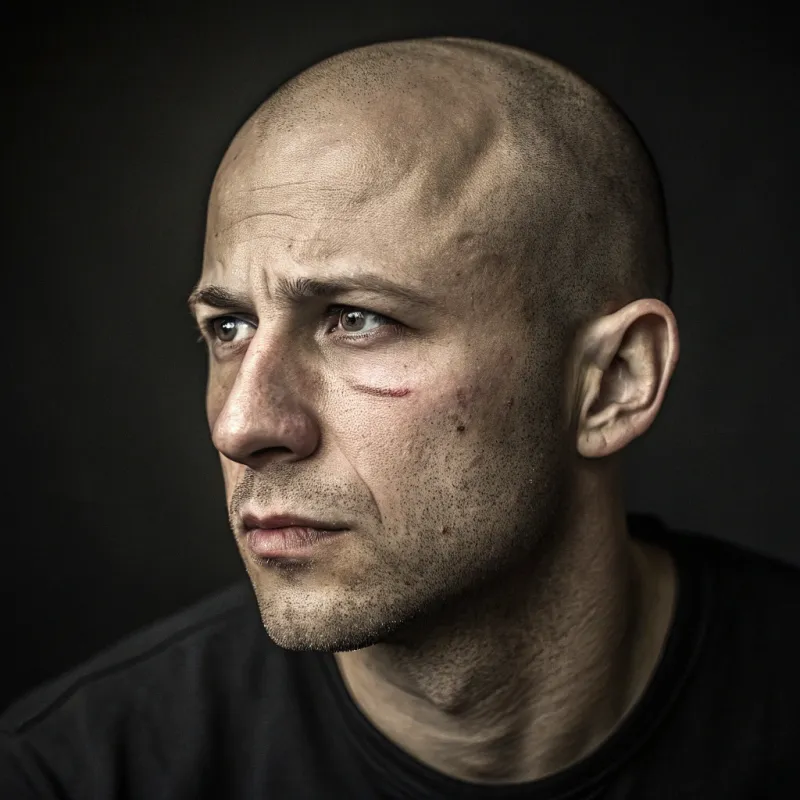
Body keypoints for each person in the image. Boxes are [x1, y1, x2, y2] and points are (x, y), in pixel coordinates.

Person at [2, 35, 798, 799]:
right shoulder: (73, 775)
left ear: (614, 381)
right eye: (230, 328)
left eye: (356, 319)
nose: (241, 425)